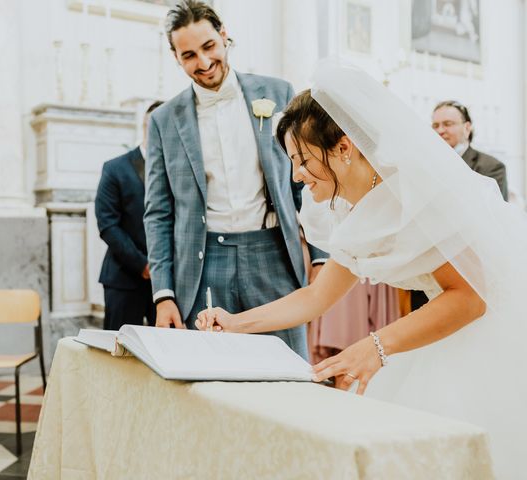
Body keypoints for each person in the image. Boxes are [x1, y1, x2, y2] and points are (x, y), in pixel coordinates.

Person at [197, 62, 527, 478]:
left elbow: (470, 297)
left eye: (302, 160)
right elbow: (317, 296)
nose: (296, 175)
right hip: (442, 329)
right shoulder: (349, 206)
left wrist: (378, 345)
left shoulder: (415, 195)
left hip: (493, 335)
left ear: (343, 147)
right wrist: (236, 323)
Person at [144, 0, 327, 359]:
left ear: (224, 36)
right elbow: (158, 213)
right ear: (176, 57)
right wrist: (163, 294)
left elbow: (304, 182)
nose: (203, 62)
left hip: (272, 254)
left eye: (209, 46)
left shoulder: (277, 94)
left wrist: (320, 256)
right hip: (203, 262)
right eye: (189, 55)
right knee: (209, 373)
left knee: (286, 368)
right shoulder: (164, 120)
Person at [410, 99, 510, 310]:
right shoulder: (422, 166)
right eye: (435, 126)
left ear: (467, 127)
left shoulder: (491, 166)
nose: (440, 130)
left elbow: (491, 216)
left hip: (474, 267)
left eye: (448, 124)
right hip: (427, 265)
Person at [95, 101, 163, 330]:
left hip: (168, 283)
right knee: (119, 355)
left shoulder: (180, 170)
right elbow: (108, 225)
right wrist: (143, 265)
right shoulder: (115, 168)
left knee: (169, 355)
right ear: (146, 126)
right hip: (124, 278)